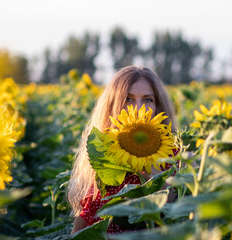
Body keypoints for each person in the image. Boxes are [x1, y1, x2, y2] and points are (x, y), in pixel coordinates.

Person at [68, 65, 177, 234]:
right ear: (113, 105)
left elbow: (173, 218)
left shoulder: (172, 156)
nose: (138, 108)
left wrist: (154, 181)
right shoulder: (104, 157)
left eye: (148, 99)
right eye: (128, 99)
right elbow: (82, 228)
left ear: (158, 106)